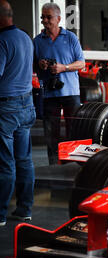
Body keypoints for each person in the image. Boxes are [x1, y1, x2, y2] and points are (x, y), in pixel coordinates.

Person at [34, 2, 85, 164]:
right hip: (50, 93)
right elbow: (32, 66)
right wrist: (39, 65)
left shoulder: (70, 38)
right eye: (43, 17)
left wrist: (64, 67)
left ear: (58, 19)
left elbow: (81, 63)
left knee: (74, 131)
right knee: (51, 133)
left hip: (71, 93)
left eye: (48, 17)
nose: (45, 20)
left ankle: (73, 164)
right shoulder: (37, 41)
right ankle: (54, 166)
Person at [0, 0, 35, 226]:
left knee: (5, 162)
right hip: (26, 105)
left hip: (7, 108)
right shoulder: (25, 37)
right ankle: (24, 209)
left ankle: (0, 214)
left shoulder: (2, 41)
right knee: (24, 160)